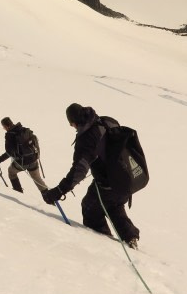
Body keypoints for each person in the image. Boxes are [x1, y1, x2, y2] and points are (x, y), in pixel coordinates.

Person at [41, 103, 140, 249]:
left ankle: (102, 243)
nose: (71, 126)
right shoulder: (107, 121)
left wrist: (59, 191)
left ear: (74, 122)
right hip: (127, 178)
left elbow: (79, 171)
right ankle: (130, 237)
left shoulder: (87, 138)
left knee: (90, 207)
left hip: (108, 183)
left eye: (71, 124)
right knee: (114, 205)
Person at [0, 117, 48, 195]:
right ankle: (50, 198)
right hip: (33, 160)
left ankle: (18, 193)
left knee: (11, 172)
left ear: (6, 126)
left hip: (22, 163)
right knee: (38, 180)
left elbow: (9, 153)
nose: (4, 129)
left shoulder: (10, 135)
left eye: (3, 127)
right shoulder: (23, 130)